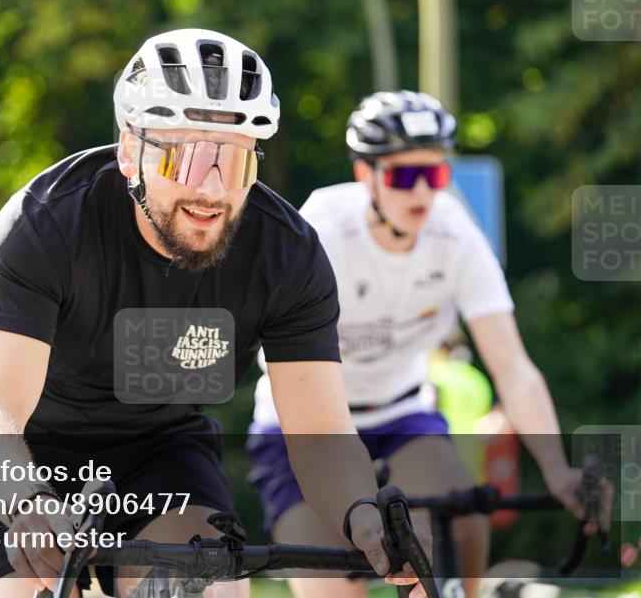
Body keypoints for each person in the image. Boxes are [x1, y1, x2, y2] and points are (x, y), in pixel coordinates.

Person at [0, 31, 431, 598]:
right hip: (12, 452)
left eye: (232, 160)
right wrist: (29, 504)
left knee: (205, 585)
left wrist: (361, 513)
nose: (210, 188)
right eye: (185, 157)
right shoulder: (45, 225)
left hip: (156, 448)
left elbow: (320, 433)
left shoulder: (288, 255)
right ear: (131, 152)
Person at [249, 90, 602, 598]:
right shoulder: (322, 228)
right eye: (403, 176)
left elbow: (512, 367)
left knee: (461, 529)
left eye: (434, 174)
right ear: (364, 174)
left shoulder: (453, 230)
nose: (422, 193)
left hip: (400, 415)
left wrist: (555, 469)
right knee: (332, 579)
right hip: (306, 425)